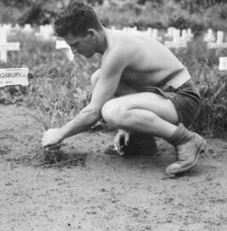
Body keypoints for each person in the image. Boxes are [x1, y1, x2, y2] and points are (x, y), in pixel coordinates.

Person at [41, 1, 206, 177]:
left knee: (111, 111)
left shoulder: (117, 51)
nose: (73, 51)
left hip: (183, 99)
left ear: (91, 34)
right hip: (165, 95)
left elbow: (94, 112)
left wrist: (60, 133)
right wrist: (127, 128)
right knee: (97, 79)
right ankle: (141, 141)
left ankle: (186, 140)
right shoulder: (112, 42)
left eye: (75, 44)